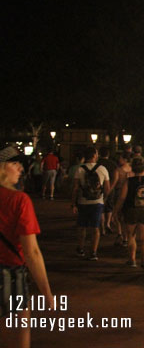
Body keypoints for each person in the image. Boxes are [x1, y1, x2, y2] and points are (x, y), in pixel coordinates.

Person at [0, 146, 54, 348]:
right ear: (3, 168)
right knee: (18, 336)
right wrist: (46, 292)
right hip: (10, 276)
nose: (21, 169)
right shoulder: (19, 200)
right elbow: (32, 252)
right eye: (15, 164)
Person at [114, 157, 144, 272]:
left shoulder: (129, 182)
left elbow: (122, 197)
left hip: (131, 210)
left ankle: (132, 259)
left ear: (133, 168)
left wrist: (116, 210)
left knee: (131, 236)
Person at [71, 147, 110, 261]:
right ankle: (93, 251)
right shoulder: (102, 169)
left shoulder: (80, 169)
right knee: (95, 228)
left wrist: (73, 203)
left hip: (83, 201)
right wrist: (104, 199)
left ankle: (81, 248)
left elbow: (75, 188)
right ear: (93, 155)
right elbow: (107, 188)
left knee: (82, 226)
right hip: (97, 202)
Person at [97, 147, 119, 235]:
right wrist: (111, 187)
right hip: (110, 187)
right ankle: (108, 223)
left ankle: (102, 227)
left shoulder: (97, 164)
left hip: (99, 188)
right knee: (109, 206)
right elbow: (116, 176)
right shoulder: (112, 164)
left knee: (101, 207)